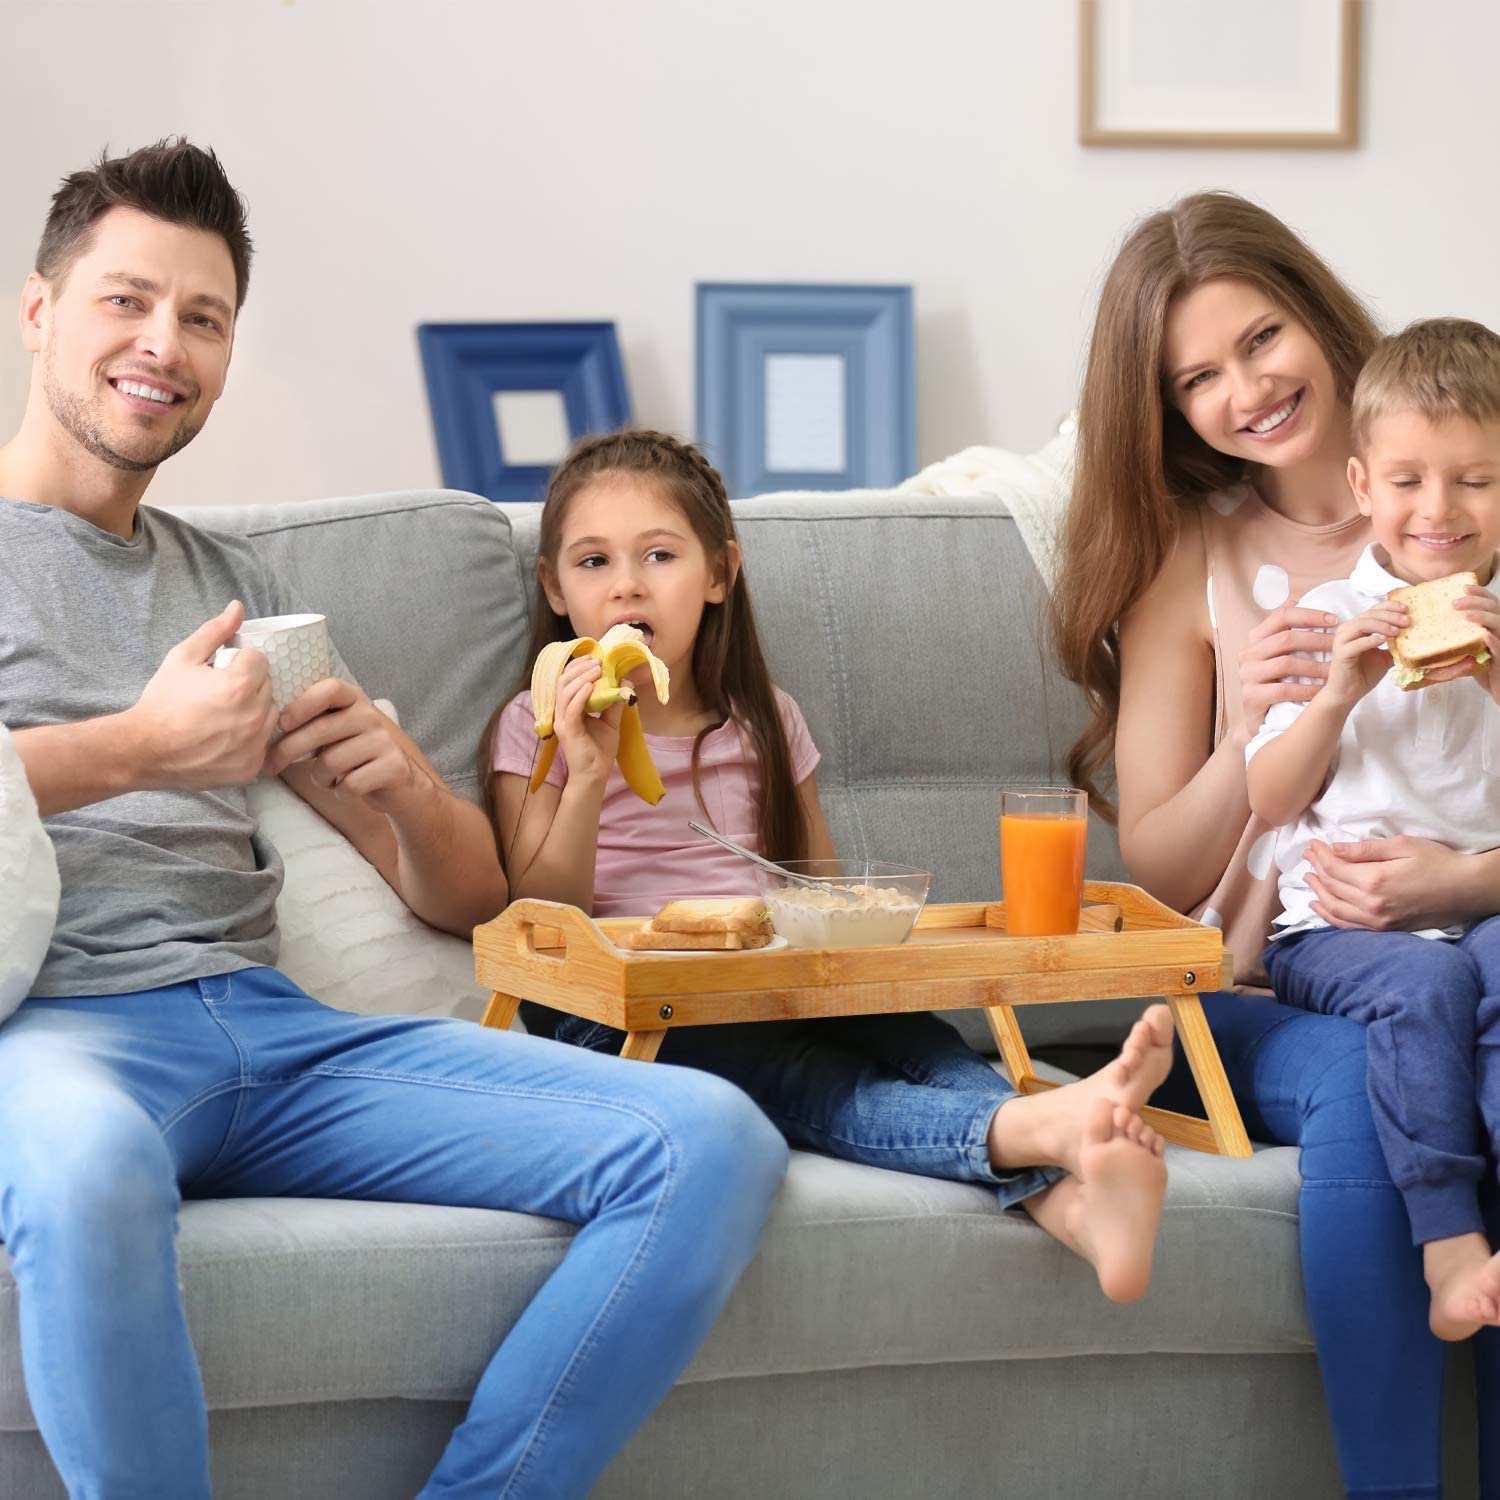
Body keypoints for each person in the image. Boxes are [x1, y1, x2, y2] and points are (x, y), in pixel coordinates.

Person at [0, 139, 791, 1500]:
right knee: (87, 1179)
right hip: (69, 1034)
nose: (162, 344)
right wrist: (138, 747)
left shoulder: (234, 583)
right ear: (39, 311)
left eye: (204, 317)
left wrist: (400, 782)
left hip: (278, 1031)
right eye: (126, 301)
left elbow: (470, 902)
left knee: (712, 1139)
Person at [484, 427, 1178, 1305]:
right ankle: (1050, 1121)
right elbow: (538, 910)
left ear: (718, 575)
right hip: (625, 1021)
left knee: (916, 1036)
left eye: (658, 554)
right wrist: (587, 773)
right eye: (592, 562)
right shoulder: (536, 724)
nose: (625, 583)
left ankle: (1074, 1202)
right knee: (817, 1084)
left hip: (767, 984)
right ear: (554, 588)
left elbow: (815, 888)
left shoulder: (766, 721)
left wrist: (843, 944)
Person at [1052, 191, 1500, 1498]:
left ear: (1315, 311)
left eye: (1261, 338)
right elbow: (1168, 871)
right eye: (1197, 375)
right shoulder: (1188, 558)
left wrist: (1465, 880)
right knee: (1376, 1081)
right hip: (1275, 974)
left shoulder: (1458, 503)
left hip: (1462, 930)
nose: (1245, 390)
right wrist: (1250, 723)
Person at [1248, 318, 1500, 1342]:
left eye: (1474, 480)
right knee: (1430, 983)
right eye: (1406, 481)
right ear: (1361, 486)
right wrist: (1335, 698)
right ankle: (1449, 1248)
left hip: (1476, 911)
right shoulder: (1330, 613)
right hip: (1330, 932)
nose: (1437, 511)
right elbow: (1268, 799)